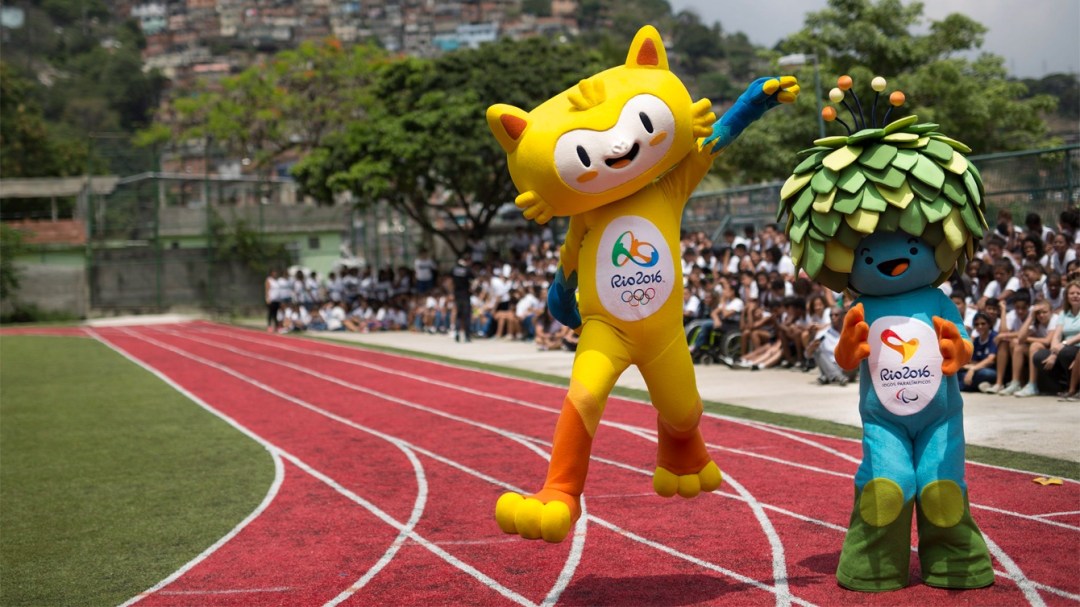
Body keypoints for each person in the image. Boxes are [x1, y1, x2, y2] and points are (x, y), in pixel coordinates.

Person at [1019, 280, 1080, 397]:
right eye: (1072, 293)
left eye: (1078, 293)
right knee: (1040, 357)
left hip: (1075, 347)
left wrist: (1065, 344)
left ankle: (1075, 387)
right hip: (1064, 348)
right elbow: (1056, 336)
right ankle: (1065, 386)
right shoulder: (1064, 313)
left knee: (1065, 353)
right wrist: (1054, 354)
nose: (1075, 296)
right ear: (1067, 296)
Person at [984, 299, 1053, 395]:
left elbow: (1047, 341)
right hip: (1040, 352)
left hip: (1052, 352)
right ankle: (1015, 382)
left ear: (1051, 312)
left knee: (1034, 345)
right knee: (1017, 345)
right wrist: (1031, 317)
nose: (1041, 315)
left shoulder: (1055, 319)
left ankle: (1032, 385)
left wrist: (1026, 339)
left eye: (1044, 312)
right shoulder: (1036, 322)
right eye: (1038, 313)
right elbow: (1021, 337)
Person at [804, 304, 852, 385]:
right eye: (831, 315)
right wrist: (811, 348)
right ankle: (838, 377)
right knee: (816, 350)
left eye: (836, 315)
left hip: (846, 366)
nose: (833, 317)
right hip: (830, 364)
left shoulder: (850, 332)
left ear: (843, 316)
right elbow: (807, 355)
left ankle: (826, 376)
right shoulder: (823, 333)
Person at [960, 313, 998, 392]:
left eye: (983, 324)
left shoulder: (994, 337)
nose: (980, 326)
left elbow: (991, 360)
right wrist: (968, 367)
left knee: (985, 374)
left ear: (989, 324)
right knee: (958, 374)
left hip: (990, 370)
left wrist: (973, 369)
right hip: (978, 369)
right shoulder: (976, 340)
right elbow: (973, 361)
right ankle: (981, 386)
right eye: (977, 324)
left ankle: (966, 386)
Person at [450, 258, 474, 343]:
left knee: (458, 316)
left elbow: (452, 281)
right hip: (465, 295)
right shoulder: (467, 270)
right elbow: (473, 278)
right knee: (466, 316)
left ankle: (457, 333)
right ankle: (467, 336)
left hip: (457, 295)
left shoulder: (454, 269)